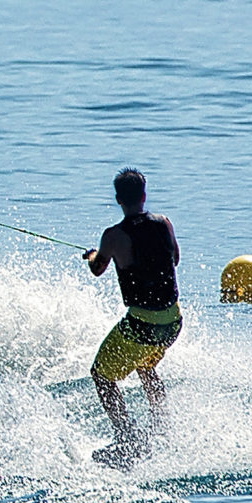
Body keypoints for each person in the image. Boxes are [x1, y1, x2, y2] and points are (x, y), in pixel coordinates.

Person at [81, 167, 182, 466]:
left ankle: (127, 440)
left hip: (142, 325)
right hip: (173, 322)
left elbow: (98, 268)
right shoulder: (164, 223)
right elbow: (174, 258)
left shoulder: (113, 236)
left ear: (117, 200)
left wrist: (92, 254)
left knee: (101, 375)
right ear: (144, 195)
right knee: (145, 366)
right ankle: (163, 428)